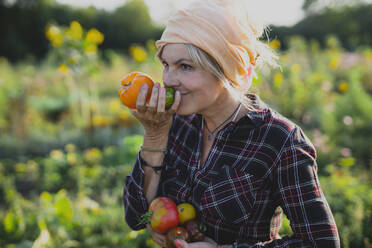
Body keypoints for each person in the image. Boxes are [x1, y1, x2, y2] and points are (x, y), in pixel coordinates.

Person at [123, 0, 341, 247]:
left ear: (225, 70)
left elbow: (321, 242)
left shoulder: (279, 139)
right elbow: (135, 217)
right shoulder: (175, 123)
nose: (168, 80)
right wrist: (155, 134)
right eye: (166, 64)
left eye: (185, 66)